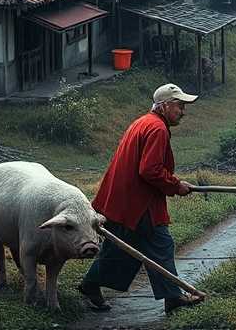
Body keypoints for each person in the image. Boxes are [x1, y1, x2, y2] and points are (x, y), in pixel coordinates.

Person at [79, 83, 205, 314]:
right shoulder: (157, 129)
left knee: (122, 247)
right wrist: (176, 186)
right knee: (160, 244)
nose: (183, 111)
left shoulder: (143, 122)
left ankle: (90, 286)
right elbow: (150, 170)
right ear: (165, 105)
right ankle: (173, 297)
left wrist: (174, 184)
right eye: (180, 106)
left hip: (123, 200)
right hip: (138, 203)